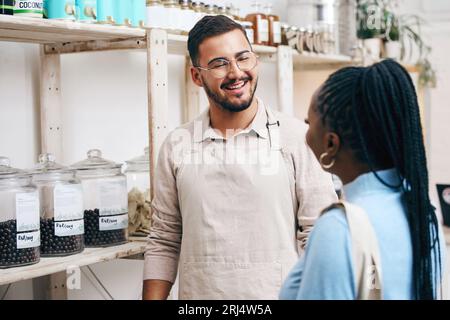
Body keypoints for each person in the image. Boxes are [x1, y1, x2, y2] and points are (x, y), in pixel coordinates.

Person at [142, 15, 337, 300]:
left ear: (255, 61)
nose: (236, 72)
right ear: (196, 76)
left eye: (243, 58)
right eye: (219, 63)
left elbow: (320, 237)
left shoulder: (297, 138)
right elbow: (164, 240)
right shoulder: (177, 146)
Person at [280, 59, 445, 300]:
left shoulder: (339, 228)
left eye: (308, 123)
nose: (305, 133)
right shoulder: (423, 212)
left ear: (330, 144)